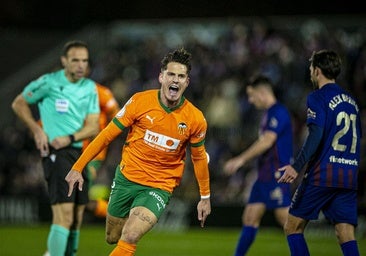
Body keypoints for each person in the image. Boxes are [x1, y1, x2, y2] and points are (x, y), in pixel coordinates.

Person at [65, 47, 211, 256]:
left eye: (181, 76)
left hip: (160, 185)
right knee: (112, 237)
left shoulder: (195, 119)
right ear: (161, 77)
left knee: (131, 235)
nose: (176, 80)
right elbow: (106, 135)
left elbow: (198, 158)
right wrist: (77, 167)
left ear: (187, 82)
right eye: (171, 74)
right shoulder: (140, 102)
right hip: (127, 178)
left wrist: (205, 197)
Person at [11, 40, 100, 256]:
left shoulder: (89, 87)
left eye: (84, 61)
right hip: (56, 154)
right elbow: (18, 103)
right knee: (64, 215)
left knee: (77, 218)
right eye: (75, 60)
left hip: (79, 154)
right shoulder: (49, 82)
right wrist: (36, 130)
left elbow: (93, 126)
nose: (81, 65)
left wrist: (70, 137)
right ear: (64, 61)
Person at [277, 49, 361, 256]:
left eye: (311, 68)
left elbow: (315, 135)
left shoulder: (317, 97)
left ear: (317, 70)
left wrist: (296, 167)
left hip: (323, 174)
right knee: (345, 233)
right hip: (348, 176)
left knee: (292, 226)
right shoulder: (352, 101)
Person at [223, 74, 294, 256]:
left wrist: (241, 159)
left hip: (277, 173)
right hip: (264, 174)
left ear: (262, 93)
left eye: (252, 95)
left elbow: (267, 141)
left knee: (287, 221)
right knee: (249, 217)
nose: (250, 100)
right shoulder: (268, 114)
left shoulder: (279, 112)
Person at [84, 82, 120, 218]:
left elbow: (116, 114)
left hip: (93, 153)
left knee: (80, 198)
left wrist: (104, 134)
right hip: (71, 149)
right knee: (76, 199)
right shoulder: (64, 93)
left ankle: (118, 217)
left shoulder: (100, 92)